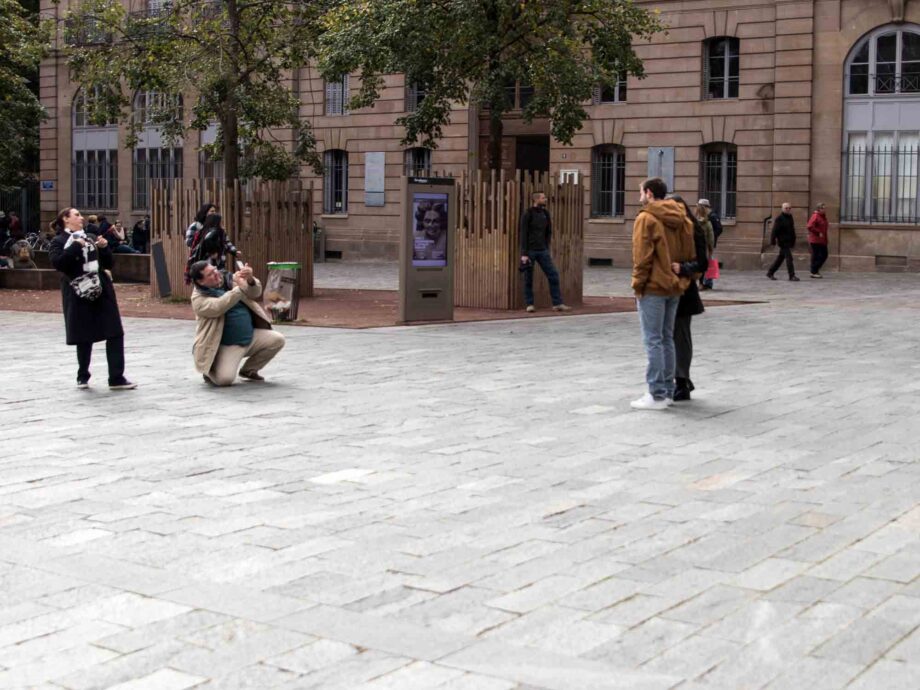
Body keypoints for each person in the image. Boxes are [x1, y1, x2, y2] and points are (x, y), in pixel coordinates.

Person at [48, 207, 136, 390]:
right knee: (83, 334)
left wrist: (104, 248)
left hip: (101, 287)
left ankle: (116, 378)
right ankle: (83, 375)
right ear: (66, 219)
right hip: (77, 290)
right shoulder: (59, 241)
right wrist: (75, 245)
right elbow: (59, 263)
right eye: (77, 215)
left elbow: (108, 263)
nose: (81, 217)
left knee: (114, 331)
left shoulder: (91, 236)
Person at [630, 177, 695, 411]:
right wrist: (684, 278)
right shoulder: (683, 219)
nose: (639, 196)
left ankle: (656, 393)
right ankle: (667, 391)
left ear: (648, 193)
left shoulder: (646, 218)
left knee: (653, 339)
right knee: (667, 338)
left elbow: (642, 257)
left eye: (640, 191)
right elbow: (691, 255)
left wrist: (637, 285)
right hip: (674, 286)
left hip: (653, 286)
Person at [189, 259, 285, 386]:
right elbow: (219, 306)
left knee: (277, 339)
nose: (216, 274)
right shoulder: (198, 299)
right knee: (225, 380)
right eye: (210, 274)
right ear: (200, 281)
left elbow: (255, 293)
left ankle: (248, 370)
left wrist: (250, 279)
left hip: (249, 337)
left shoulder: (229, 279)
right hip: (228, 345)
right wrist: (239, 288)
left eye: (214, 269)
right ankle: (210, 370)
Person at [668, 195, 709, 401]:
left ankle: (682, 381)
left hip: (684, 289)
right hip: (667, 288)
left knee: (681, 336)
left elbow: (703, 264)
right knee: (671, 336)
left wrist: (683, 268)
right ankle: (679, 378)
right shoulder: (670, 230)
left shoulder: (694, 230)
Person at [519, 191, 571, 313]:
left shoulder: (545, 213)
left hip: (542, 250)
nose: (545, 199)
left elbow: (548, 231)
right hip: (530, 251)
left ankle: (557, 303)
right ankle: (530, 304)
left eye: (545, 197)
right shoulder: (528, 214)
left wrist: (546, 246)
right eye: (543, 198)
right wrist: (524, 254)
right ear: (536, 200)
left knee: (553, 275)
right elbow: (523, 234)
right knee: (528, 278)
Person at [767, 202, 799, 281]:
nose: (788, 210)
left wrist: (793, 239)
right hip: (783, 242)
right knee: (789, 258)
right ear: (782, 209)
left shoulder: (790, 217)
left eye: (789, 208)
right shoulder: (779, 218)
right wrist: (773, 241)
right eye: (786, 208)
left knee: (780, 258)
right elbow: (774, 231)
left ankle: (770, 272)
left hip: (788, 241)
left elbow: (792, 230)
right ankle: (791, 276)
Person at [695, 201, 716, 290]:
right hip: (704, 247)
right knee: (703, 265)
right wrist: (711, 248)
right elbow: (711, 237)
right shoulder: (707, 223)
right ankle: (701, 283)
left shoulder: (693, 222)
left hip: (694, 246)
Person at [807, 202, 829, 278]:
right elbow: (809, 226)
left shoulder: (823, 216)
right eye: (823, 208)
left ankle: (814, 270)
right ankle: (814, 271)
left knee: (823, 255)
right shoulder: (816, 216)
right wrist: (818, 232)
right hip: (815, 240)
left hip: (822, 240)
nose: (825, 209)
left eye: (825, 208)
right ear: (819, 209)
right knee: (817, 255)